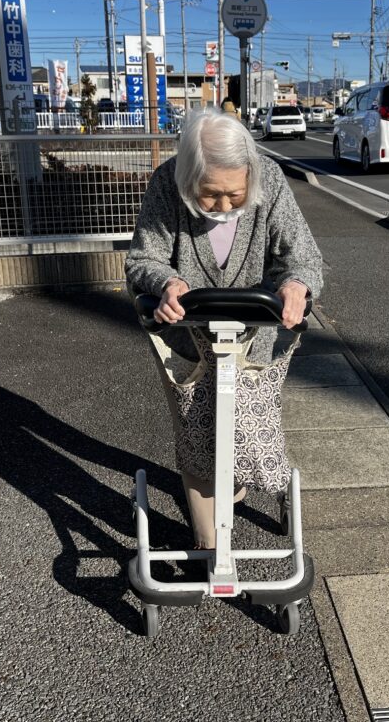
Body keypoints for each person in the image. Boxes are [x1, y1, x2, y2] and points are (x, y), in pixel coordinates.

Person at [125, 108, 323, 549]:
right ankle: (210, 548)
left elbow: (303, 255)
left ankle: (242, 485)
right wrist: (168, 282)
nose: (224, 206)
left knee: (250, 428)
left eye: (235, 194)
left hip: (254, 339)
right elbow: (143, 258)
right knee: (196, 427)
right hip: (187, 338)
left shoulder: (268, 179)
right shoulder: (166, 184)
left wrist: (296, 285)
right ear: (187, 177)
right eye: (209, 195)